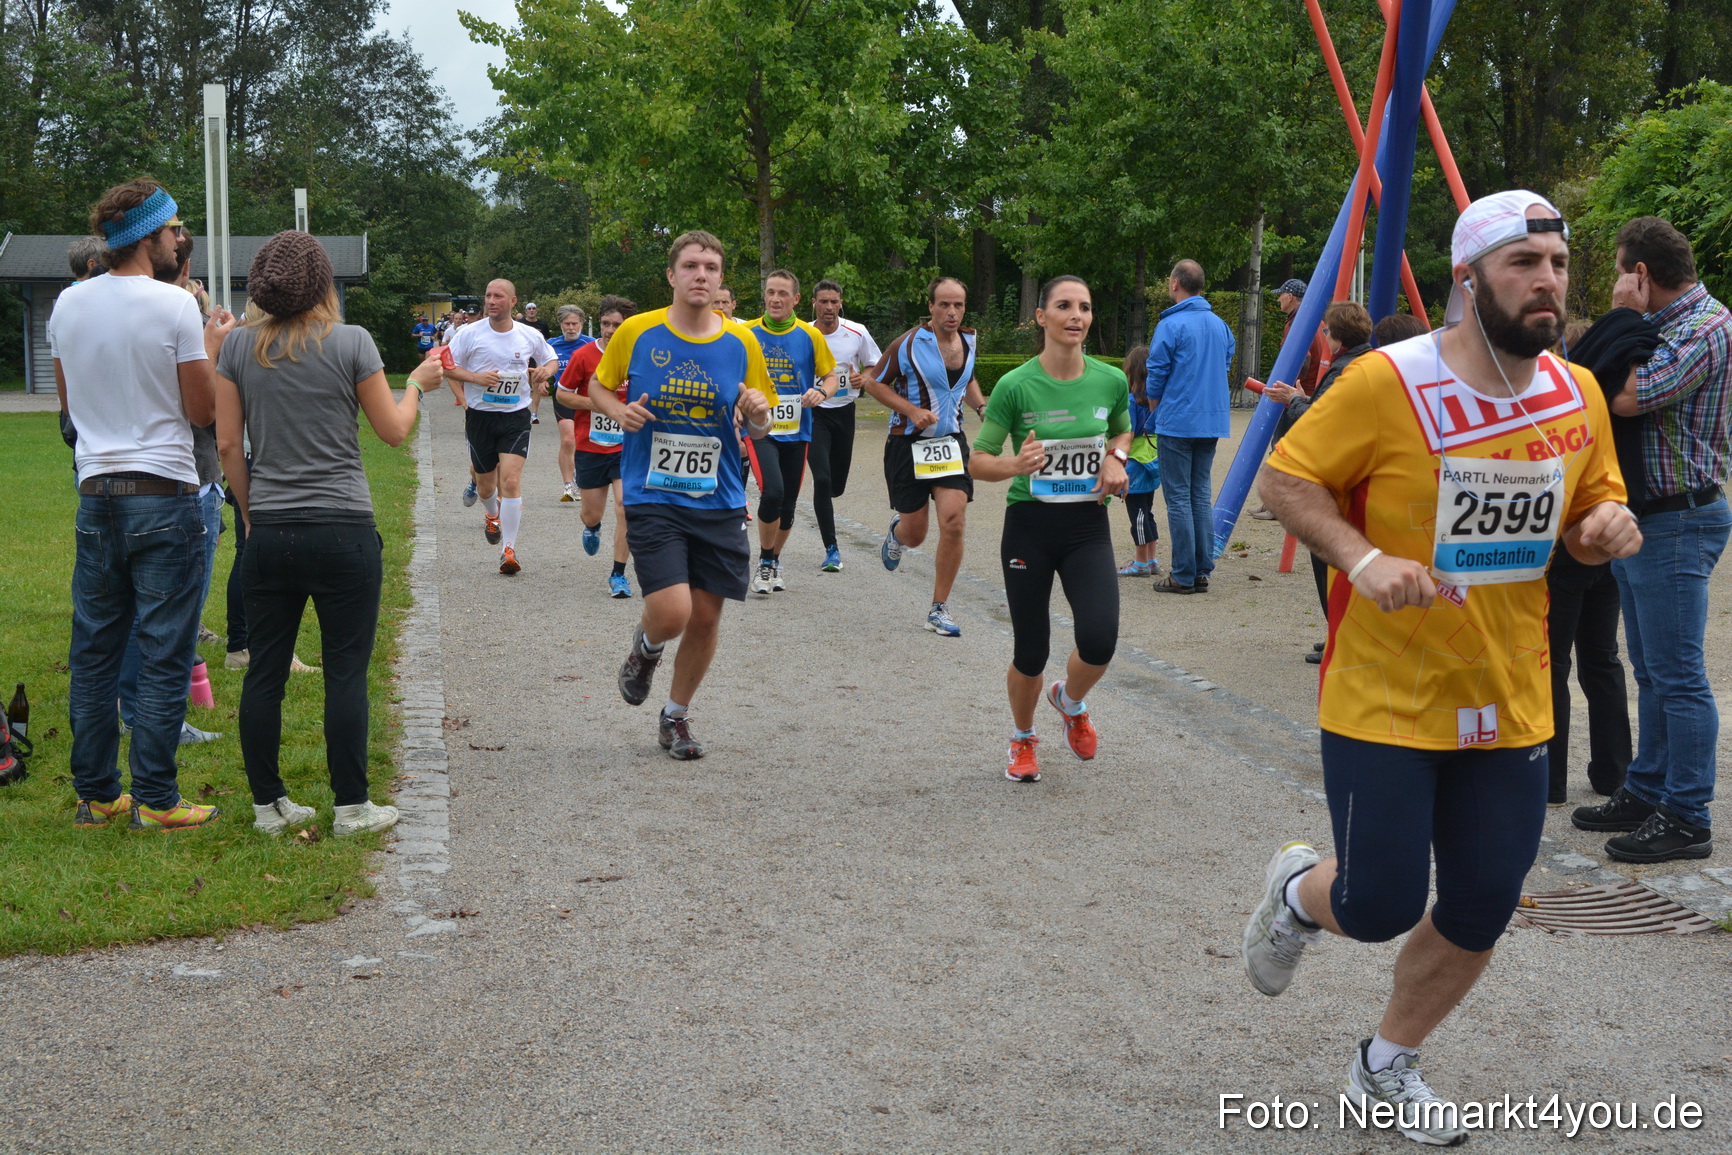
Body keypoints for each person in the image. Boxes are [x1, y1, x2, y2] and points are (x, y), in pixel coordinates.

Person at [1243, 190, 1639, 1145]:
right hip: (1386, 692)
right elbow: (1285, 477)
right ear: (1470, 280)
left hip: (1508, 697)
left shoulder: (1576, 392)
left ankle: (1385, 1062)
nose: (1547, 282)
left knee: (1481, 902)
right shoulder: (1387, 381)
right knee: (1378, 904)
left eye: (1556, 263)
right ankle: (1299, 890)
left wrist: (1602, 530)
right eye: (1523, 264)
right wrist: (1364, 558)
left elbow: (1589, 520)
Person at [215, 230, 420, 837]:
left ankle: (267, 806)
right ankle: (353, 807)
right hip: (343, 529)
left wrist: (252, 515)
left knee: (265, 671)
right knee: (346, 670)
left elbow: (229, 444)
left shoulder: (235, 349)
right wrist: (417, 387)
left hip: (271, 530)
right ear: (323, 283)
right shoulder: (352, 342)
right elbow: (392, 431)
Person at [52, 178, 233, 830]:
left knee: (95, 655)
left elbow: (70, 407)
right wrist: (211, 351)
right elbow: (202, 411)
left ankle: (98, 793)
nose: (178, 239)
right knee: (162, 652)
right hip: (163, 495)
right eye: (173, 230)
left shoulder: (67, 305)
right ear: (149, 237)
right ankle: (156, 799)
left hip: (96, 494)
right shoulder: (173, 306)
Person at [1573, 216, 1732, 862]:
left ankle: (1688, 813)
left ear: (1641, 274)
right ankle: (1648, 786)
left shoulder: (1707, 327)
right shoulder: (1665, 327)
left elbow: (1629, 394)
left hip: (1679, 517)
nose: (1615, 283)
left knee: (1679, 674)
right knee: (1650, 669)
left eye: (1619, 271)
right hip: (1647, 516)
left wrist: (1618, 320)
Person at [591, 231, 772, 759]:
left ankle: (675, 718)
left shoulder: (742, 342)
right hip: (654, 492)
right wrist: (617, 411)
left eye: (711, 267)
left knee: (708, 616)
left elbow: (757, 426)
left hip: (718, 497)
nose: (701, 275)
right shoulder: (637, 332)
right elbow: (602, 386)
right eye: (691, 266)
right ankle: (645, 649)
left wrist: (759, 414)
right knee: (672, 612)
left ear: (720, 280)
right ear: (671, 275)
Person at [970, 276, 1131, 783]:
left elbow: (1124, 426)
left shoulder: (1110, 380)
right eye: (1064, 306)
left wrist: (1115, 457)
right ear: (1041, 317)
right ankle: (1022, 739)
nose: (1075, 316)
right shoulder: (1017, 385)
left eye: (1084, 307)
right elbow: (977, 461)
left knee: (1100, 638)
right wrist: (1015, 465)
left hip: (1087, 526)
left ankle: (1070, 700)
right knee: (1031, 649)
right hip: (1030, 527)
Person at [859, 276, 987, 637]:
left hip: (950, 443)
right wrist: (912, 410)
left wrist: (980, 406)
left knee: (954, 520)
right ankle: (898, 536)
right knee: (916, 533)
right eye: (944, 304)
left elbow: (968, 377)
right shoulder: (909, 344)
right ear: (930, 306)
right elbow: (874, 382)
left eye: (958, 305)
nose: (952, 312)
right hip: (907, 444)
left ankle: (938, 608)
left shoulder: (969, 340)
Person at [1266, 300, 1374, 663]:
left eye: (1326, 329)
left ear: (1336, 333)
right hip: (1352, 473)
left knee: (1327, 557)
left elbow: (1322, 420)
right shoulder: (1365, 361)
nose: (1323, 334)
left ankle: (1339, 637)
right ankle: (1336, 630)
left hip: (1335, 476)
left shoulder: (1345, 367)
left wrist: (1295, 401)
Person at [442, 279, 559, 574]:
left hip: (515, 417)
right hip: (481, 416)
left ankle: (509, 550)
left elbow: (551, 359)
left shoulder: (528, 334)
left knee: (510, 481)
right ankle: (492, 513)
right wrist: (475, 379)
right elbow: (446, 364)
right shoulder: (470, 334)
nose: (491, 301)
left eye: (498, 296)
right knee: (486, 486)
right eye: (488, 296)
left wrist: (545, 371)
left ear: (513, 301)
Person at [743, 270, 839, 594]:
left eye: (782, 293)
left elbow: (831, 377)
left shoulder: (810, 336)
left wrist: (821, 393)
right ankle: (766, 562)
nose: (775, 299)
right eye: (770, 292)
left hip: (798, 430)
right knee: (772, 491)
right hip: (760, 428)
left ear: (796, 299)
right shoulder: (747, 333)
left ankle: (772, 560)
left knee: (788, 505)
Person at [1146, 260, 1233, 594]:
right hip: (1211, 420)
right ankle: (1200, 571)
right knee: (1200, 494)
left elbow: (1156, 375)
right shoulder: (1220, 325)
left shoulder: (1171, 325)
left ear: (1174, 284)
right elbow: (1224, 365)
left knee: (1179, 498)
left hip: (1178, 421)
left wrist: (1157, 410)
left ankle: (1182, 573)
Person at [556, 295, 637, 598]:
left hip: (628, 446)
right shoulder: (585, 355)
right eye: (606, 323)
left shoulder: (640, 355)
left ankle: (618, 574)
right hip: (591, 445)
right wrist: (598, 404)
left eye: (618, 325)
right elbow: (563, 394)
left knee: (625, 507)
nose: (611, 330)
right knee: (592, 513)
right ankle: (592, 528)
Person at [809, 279, 882, 573]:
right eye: (823, 301)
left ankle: (830, 513)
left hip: (844, 412)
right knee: (822, 480)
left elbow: (874, 364)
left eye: (834, 302)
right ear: (813, 303)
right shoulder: (804, 333)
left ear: (841, 303)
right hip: (814, 414)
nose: (829, 307)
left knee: (836, 485)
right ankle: (831, 548)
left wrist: (862, 379)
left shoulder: (856, 332)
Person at [1117, 345, 1161, 576]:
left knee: (1138, 515)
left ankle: (1141, 563)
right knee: (1148, 511)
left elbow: (1128, 433)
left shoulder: (1131, 400)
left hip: (1134, 462)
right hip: (1152, 458)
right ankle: (1152, 559)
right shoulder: (1155, 399)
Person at [547, 304, 596, 501]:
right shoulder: (551, 344)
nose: (571, 328)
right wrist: (542, 381)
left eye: (575, 323)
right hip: (564, 396)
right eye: (567, 324)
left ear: (582, 324)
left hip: (586, 398)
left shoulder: (592, 344)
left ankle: (581, 476)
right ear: (560, 325)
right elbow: (543, 367)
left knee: (585, 439)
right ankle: (568, 485)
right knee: (568, 439)